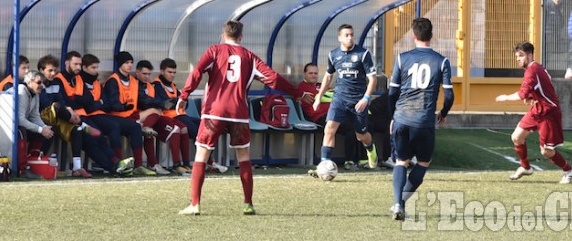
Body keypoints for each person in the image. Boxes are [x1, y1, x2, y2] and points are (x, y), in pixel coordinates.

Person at [177, 20, 298, 216]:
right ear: (240, 37)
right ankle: (248, 203)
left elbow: (197, 71)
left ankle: (195, 204)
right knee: (243, 157)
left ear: (223, 35)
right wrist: (296, 92)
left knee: (201, 154)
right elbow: (273, 78)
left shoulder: (214, 51)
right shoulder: (250, 57)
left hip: (213, 112)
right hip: (239, 113)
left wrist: (184, 96)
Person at [388, 17, 454, 220]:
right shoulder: (441, 61)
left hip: (402, 117)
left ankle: (398, 203)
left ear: (413, 35)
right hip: (424, 120)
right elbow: (450, 96)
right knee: (423, 163)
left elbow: (392, 93)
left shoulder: (401, 58)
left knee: (401, 161)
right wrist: (442, 114)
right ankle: (400, 203)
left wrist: (393, 116)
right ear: (431, 36)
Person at [496, 42, 572, 184]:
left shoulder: (532, 71)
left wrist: (506, 97)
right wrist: (532, 97)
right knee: (516, 137)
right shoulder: (537, 67)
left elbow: (522, 94)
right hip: (537, 109)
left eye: (521, 56)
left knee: (546, 151)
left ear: (530, 55)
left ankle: (568, 170)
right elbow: (543, 86)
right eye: (516, 56)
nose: (518, 59)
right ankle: (526, 167)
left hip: (548, 113)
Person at [310, 24, 379, 175]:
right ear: (339, 37)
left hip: (358, 101)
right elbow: (328, 76)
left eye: (352, 35)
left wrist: (366, 98)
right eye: (346, 35)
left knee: (361, 136)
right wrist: (319, 98)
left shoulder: (363, 54)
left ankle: (371, 149)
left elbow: (372, 79)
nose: (350, 38)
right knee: (329, 129)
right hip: (339, 99)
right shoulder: (333, 54)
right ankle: (323, 165)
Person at [134, 60, 192, 175]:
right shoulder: (135, 85)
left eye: (149, 74)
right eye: (144, 74)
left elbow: (160, 101)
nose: (147, 77)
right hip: (137, 116)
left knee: (179, 128)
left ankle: (181, 164)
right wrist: (160, 103)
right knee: (152, 121)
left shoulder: (151, 86)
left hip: (155, 117)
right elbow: (144, 102)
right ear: (137, 73)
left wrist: (161, 103)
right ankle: (153, 164)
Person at [102, 51, 155, 176]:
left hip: (129, 116)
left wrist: (160, 103)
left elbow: (142, 99)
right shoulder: (112, 81)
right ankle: (120, 164)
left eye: (131, 62)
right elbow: (112, 104)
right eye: (126, 63)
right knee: (131, 126)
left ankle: (138, 165)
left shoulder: (133, 80)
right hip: (115, 117)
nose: (130, 65)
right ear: (120, 64)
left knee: (137, 126)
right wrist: (123, 106)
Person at [16, 70, 53, 179]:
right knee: (21, 131)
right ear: (28, 82)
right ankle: (23, 170)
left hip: (19, 124)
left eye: (43, 83)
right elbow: (19, 120)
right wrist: (41, 129)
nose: (42, 85)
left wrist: (45, 128)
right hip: (8, 127)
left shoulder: (35, 94)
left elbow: (34, 116)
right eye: (39, 82)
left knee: (48, 132)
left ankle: (33, 161)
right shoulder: (22, 91)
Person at [543, 0, 568, 76]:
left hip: (555, 36)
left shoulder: (558, 7)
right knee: (545, 58)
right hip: (547, 37)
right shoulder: (547, 6)